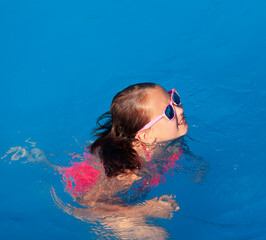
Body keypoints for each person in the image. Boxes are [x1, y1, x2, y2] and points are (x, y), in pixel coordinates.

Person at [54, 83, 190, 239]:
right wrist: (145, 209)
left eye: (174, 99)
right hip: (89, 194)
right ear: (146, 136)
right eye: (169, 112)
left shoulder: (168, 138)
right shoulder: (131, 169)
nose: (180, 109)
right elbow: (91, 201)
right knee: (156, 235)